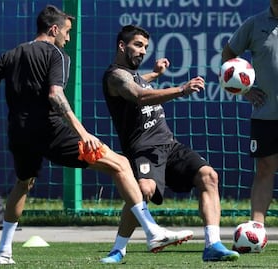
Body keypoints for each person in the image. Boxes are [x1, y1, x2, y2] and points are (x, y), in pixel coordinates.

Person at [0, 5, 193, 265]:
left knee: (24, 184)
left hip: (20, 135)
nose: (68, 38)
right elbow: (55, 95)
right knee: (121, 164)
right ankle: (152, 231)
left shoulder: (12, 54)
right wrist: (83, 132)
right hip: (52, 132)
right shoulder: (57, 55)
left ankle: (3, 252)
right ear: (54, 29)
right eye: (66, 32)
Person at [100, 24, 240, 263]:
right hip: (144, 148)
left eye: (145, 47)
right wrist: (181, 89)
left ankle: (213, 245)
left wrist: (154, 74)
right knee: (143, 191)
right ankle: (118, 250)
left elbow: (138, 82)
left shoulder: (134, 76)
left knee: (209, 176)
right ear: (122, 46)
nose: (143, 51)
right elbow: (138, 95)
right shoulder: (115, 76)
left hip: (170, 145)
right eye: (137, 45)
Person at [222, 0, 278, 240]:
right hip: (266, 113)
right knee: (265, 168)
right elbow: (228, 54)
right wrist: (245, 90)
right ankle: (257, 228)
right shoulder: (255, 24)